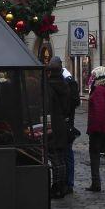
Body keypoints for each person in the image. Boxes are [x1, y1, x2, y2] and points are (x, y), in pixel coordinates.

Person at [46, 60, 72, 199]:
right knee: (61, 158)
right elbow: (67, 107)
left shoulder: (48, 87)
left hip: (52, 124)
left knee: (54, 158)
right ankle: (61, 185)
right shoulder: (65, 86)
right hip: (62, 123)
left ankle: (56, 187)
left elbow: (47, 108)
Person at [62, 64, 81, 193]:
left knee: (63, 154)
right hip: (69, 124)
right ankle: (69, 183)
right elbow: (76, 103)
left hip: (62, 124)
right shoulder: (72, 83)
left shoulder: (63, 83)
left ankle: (64, 183)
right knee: (67, 154)